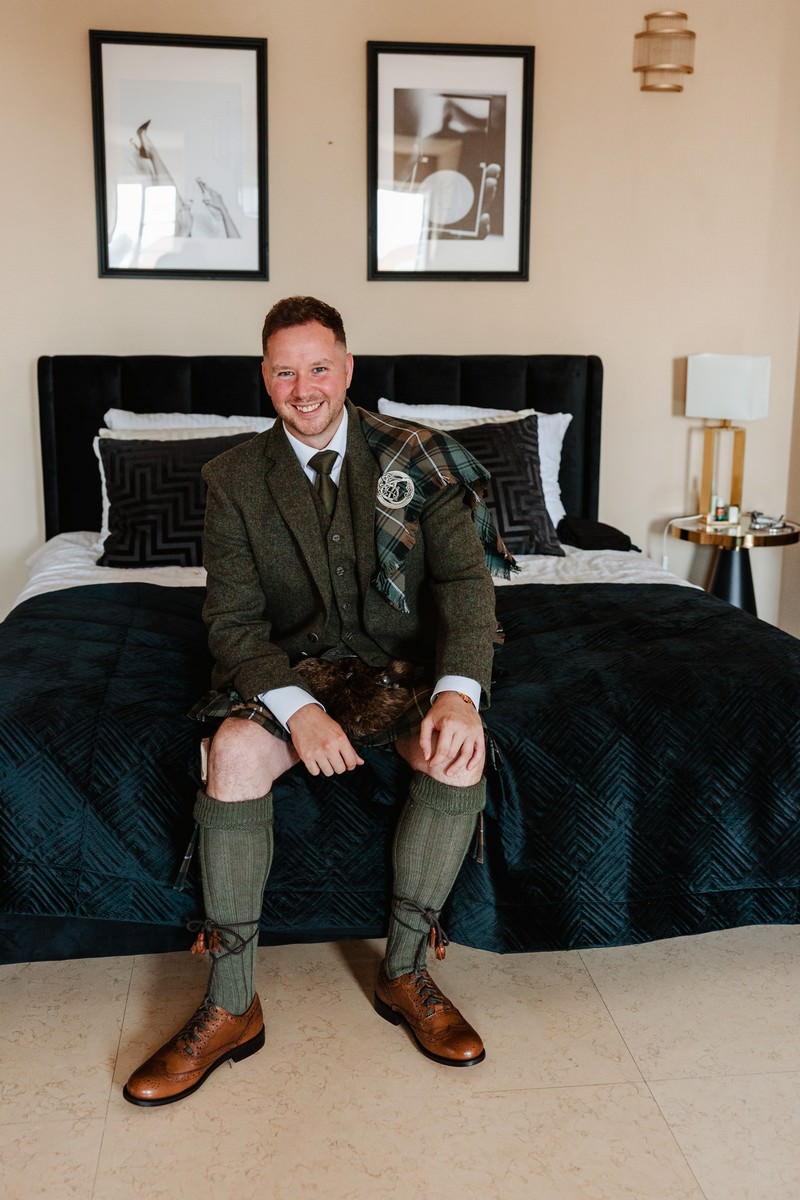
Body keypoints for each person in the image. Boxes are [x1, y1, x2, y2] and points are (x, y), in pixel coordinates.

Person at [123, 296, 511, 1107]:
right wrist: (299, 710)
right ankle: (231, 1005)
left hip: (405, 665)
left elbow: (465, 588)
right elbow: (232, 623)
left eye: (319, 368)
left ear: (348, 368)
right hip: (292, 667)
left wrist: (459, 696)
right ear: (265, 378)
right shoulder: (232, 479)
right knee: (233, 752)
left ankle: (405, 973)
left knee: (457, 754)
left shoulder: (419, 457)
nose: (304, 389)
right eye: (285, 372)